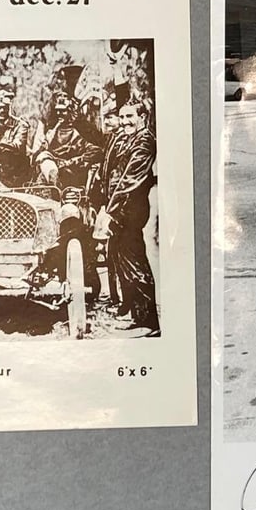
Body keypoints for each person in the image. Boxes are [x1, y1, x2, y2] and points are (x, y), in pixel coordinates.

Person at [95, 101, 159, 335]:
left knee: (135, 262)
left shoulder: (144, 141)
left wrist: (110, 212)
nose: (125, 122)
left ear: (142, 116)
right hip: (121, 209)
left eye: (130, 116)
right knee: (124, 262)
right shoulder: (128, 138)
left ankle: (149, 322)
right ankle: (137, 315)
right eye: (122, 117)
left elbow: (129, 181)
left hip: (131, 210)